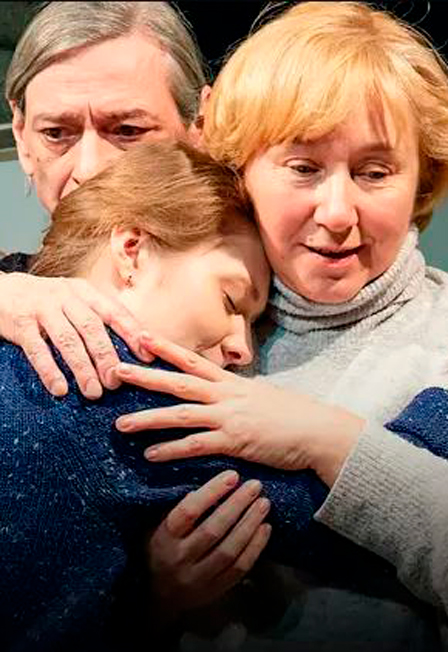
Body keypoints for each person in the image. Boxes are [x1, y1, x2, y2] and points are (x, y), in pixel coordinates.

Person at [108, 1, 448, 649]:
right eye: (303, 168)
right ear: (240, 172)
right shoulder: (179, 318)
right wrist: (154, 596)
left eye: (375, 172)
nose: (338, 212)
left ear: (421, 181)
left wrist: (325, 439)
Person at [0, 0, 273, 627]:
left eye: (127, 129)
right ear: (21, 136)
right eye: (56, 132)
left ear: (198, 124)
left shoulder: (255, 281)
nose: (89, 167)